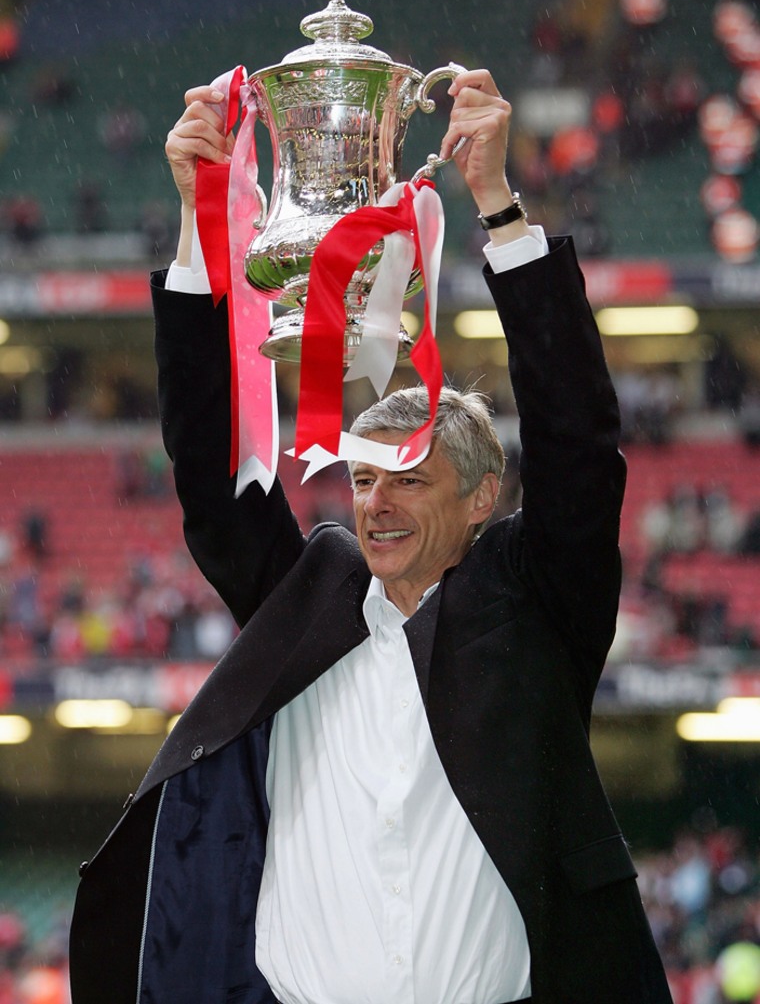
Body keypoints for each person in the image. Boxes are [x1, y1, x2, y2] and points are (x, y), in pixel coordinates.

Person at [69, 70, 673, 1004]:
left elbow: (579, 444)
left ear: (483, 498)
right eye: (361, 478)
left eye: (411, 479)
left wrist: (500, 211)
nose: (376, 504)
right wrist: (199, 226)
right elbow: (206, 469)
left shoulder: (534, 603)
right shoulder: (306, 595)